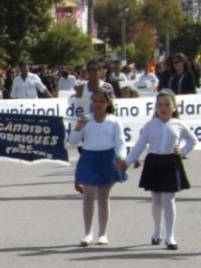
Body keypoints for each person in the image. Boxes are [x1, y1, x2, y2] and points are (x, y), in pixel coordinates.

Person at [117, 89, 198, 250]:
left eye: (167, 104)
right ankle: (157, 231)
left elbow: (192, 140)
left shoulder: (179, 124)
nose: (163, 108)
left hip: (171, 162)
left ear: (174, 107)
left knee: (169, 199)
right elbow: (139, 146)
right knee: (156, 200)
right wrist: (127, 161)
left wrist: (182, 152)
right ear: (155, 107)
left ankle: (170, 236)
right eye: (160, 104)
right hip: (154, 162)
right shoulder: (150, 125)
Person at [68, 89, 127, 247]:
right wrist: (78, 127)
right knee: (88, 196)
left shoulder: (114, 121)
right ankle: (88, 233)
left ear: (107, 103)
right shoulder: (86, 120)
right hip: (89, 157)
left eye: (101, 101)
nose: (98, 104)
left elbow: (120, 142)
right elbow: (73, 141)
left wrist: (121, 157)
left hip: (107, 158)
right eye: (95, 101)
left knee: (103, 197)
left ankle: (102, 234)